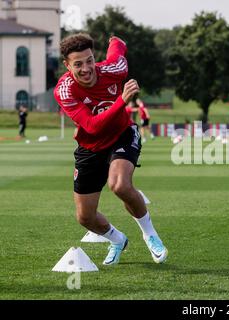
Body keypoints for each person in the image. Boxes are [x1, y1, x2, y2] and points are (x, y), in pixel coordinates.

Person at [53, 33, 168, 266]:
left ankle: (150, 235)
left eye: (89, 60)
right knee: (84, 217)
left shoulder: (113, 69)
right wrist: (122, 101)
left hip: (121, 135)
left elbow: (119, 48)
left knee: (120, 185)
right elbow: (92, 126)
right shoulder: (64, 90)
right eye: (78, 64)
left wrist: (115, 39)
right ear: (67, 65)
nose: (86, 68)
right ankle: (117, 239)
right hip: (90, 145)